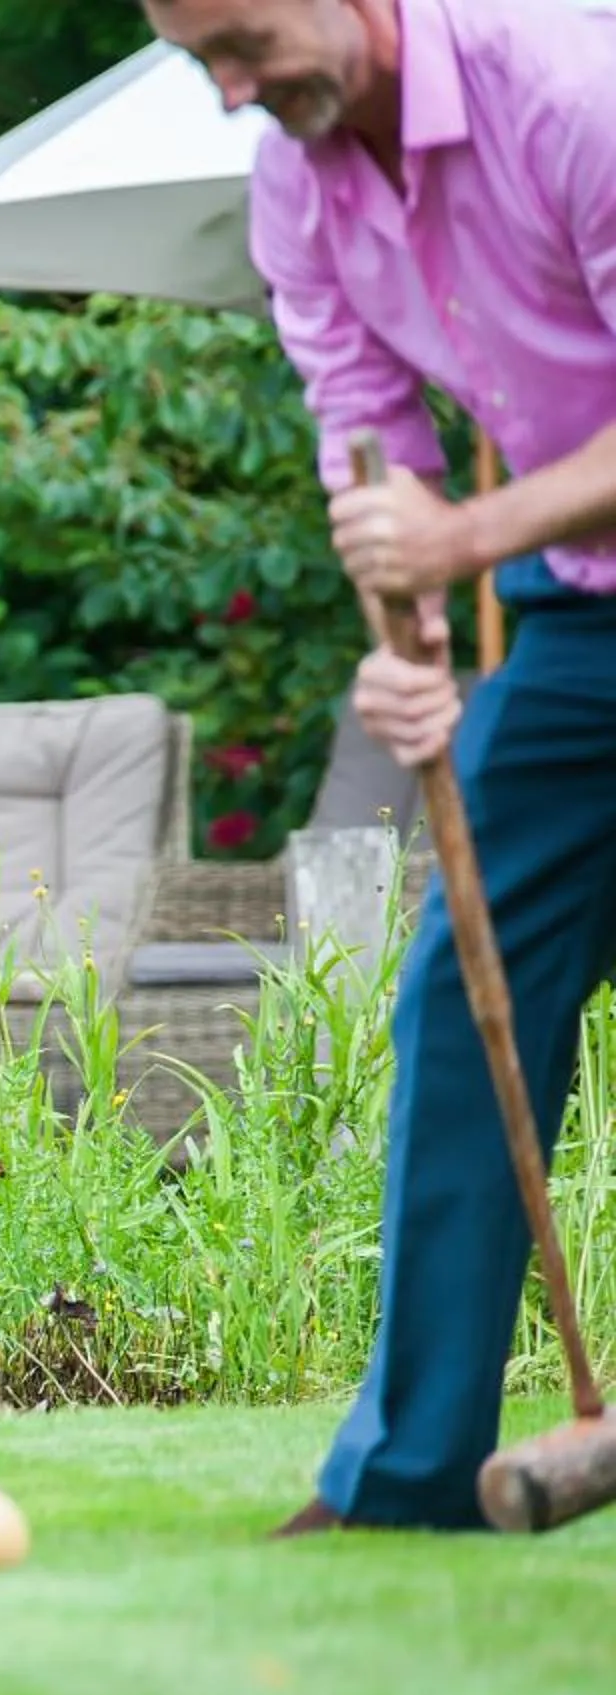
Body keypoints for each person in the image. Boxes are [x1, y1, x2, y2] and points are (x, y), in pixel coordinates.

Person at [146, 0, 616, 1533]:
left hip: (544, 565)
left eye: (241, 41)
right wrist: (409, 652)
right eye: (194, 60)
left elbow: (451, 516)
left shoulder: (571, 90)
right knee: (464, 991)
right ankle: (409, 1483)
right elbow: (368, 438)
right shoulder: (300, 185)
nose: (230, 92)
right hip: (579, 619)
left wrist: (468, 540)